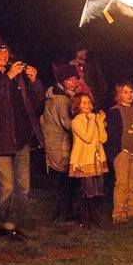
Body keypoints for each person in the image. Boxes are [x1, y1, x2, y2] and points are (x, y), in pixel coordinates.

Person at [0, 34, 44, 236]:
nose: (5, 55)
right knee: (5, 187)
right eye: (0, 52)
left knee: (23, 187)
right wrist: (7, 78)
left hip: (20, 139)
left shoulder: (16, 78)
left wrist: (34, 81)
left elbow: (36, 104)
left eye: (6, 52)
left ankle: (13, 225)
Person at [41, 65, 84, 224]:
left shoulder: (62, 96)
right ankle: (65, 216)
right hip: (60, 145)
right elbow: (68, 124)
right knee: (66, 180)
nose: (73, 82)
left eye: (75, 78)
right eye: (69, 79)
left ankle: (62, 214)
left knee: (64, 181)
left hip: (61, 144)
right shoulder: (60, 100)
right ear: (62, 81)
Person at [104, 81, 133, 222]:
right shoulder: (115, 111)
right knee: (122, 183)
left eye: (131, 92)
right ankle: (119, 214)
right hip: (123, 152)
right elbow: (111, 134)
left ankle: (132, 210)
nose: (129, 95)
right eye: (125, 92)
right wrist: (116, 152)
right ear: (118, 95)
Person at [68, 92, 108, 228]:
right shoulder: (76, 122)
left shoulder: (94, 119)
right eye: (84, 102)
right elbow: (87, 137)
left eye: (89, 102)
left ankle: (96, 218)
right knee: (88, 190)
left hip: (97, 159)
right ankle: (85, 220)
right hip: (85, 160)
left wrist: (100, 123)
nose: (88, 105)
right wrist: (92, 121)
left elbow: (103, 139)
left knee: (99, 190)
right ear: (77, 105)